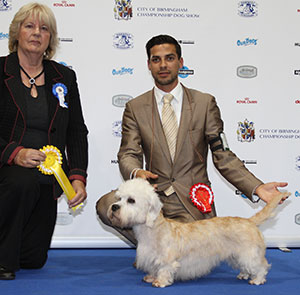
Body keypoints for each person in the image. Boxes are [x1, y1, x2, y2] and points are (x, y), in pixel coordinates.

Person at [96, 34, 287, 245]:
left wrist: (257, 187)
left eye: (169, 58)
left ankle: (167, 252)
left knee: (187, 261)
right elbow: (128, 153)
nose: (163, 65)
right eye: (156, 59)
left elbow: (223, 155)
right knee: (106, 205)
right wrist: (137, 172)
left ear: (180, 62)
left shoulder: (204, 103)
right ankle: (153, 249)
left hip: (191, 201)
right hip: (153, 199)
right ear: (149, 65)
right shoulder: (135, 107)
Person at [0, 3, 88, 280]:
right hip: (7, 172)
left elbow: (76, 130)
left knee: (33, 260)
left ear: (51, 38)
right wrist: (15, 153)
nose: (37, 33)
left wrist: (76, 177)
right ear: (16, 33)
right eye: (29, 26)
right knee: (21, 180)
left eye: (44, 28)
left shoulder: (65, 77)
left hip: (47, 179)